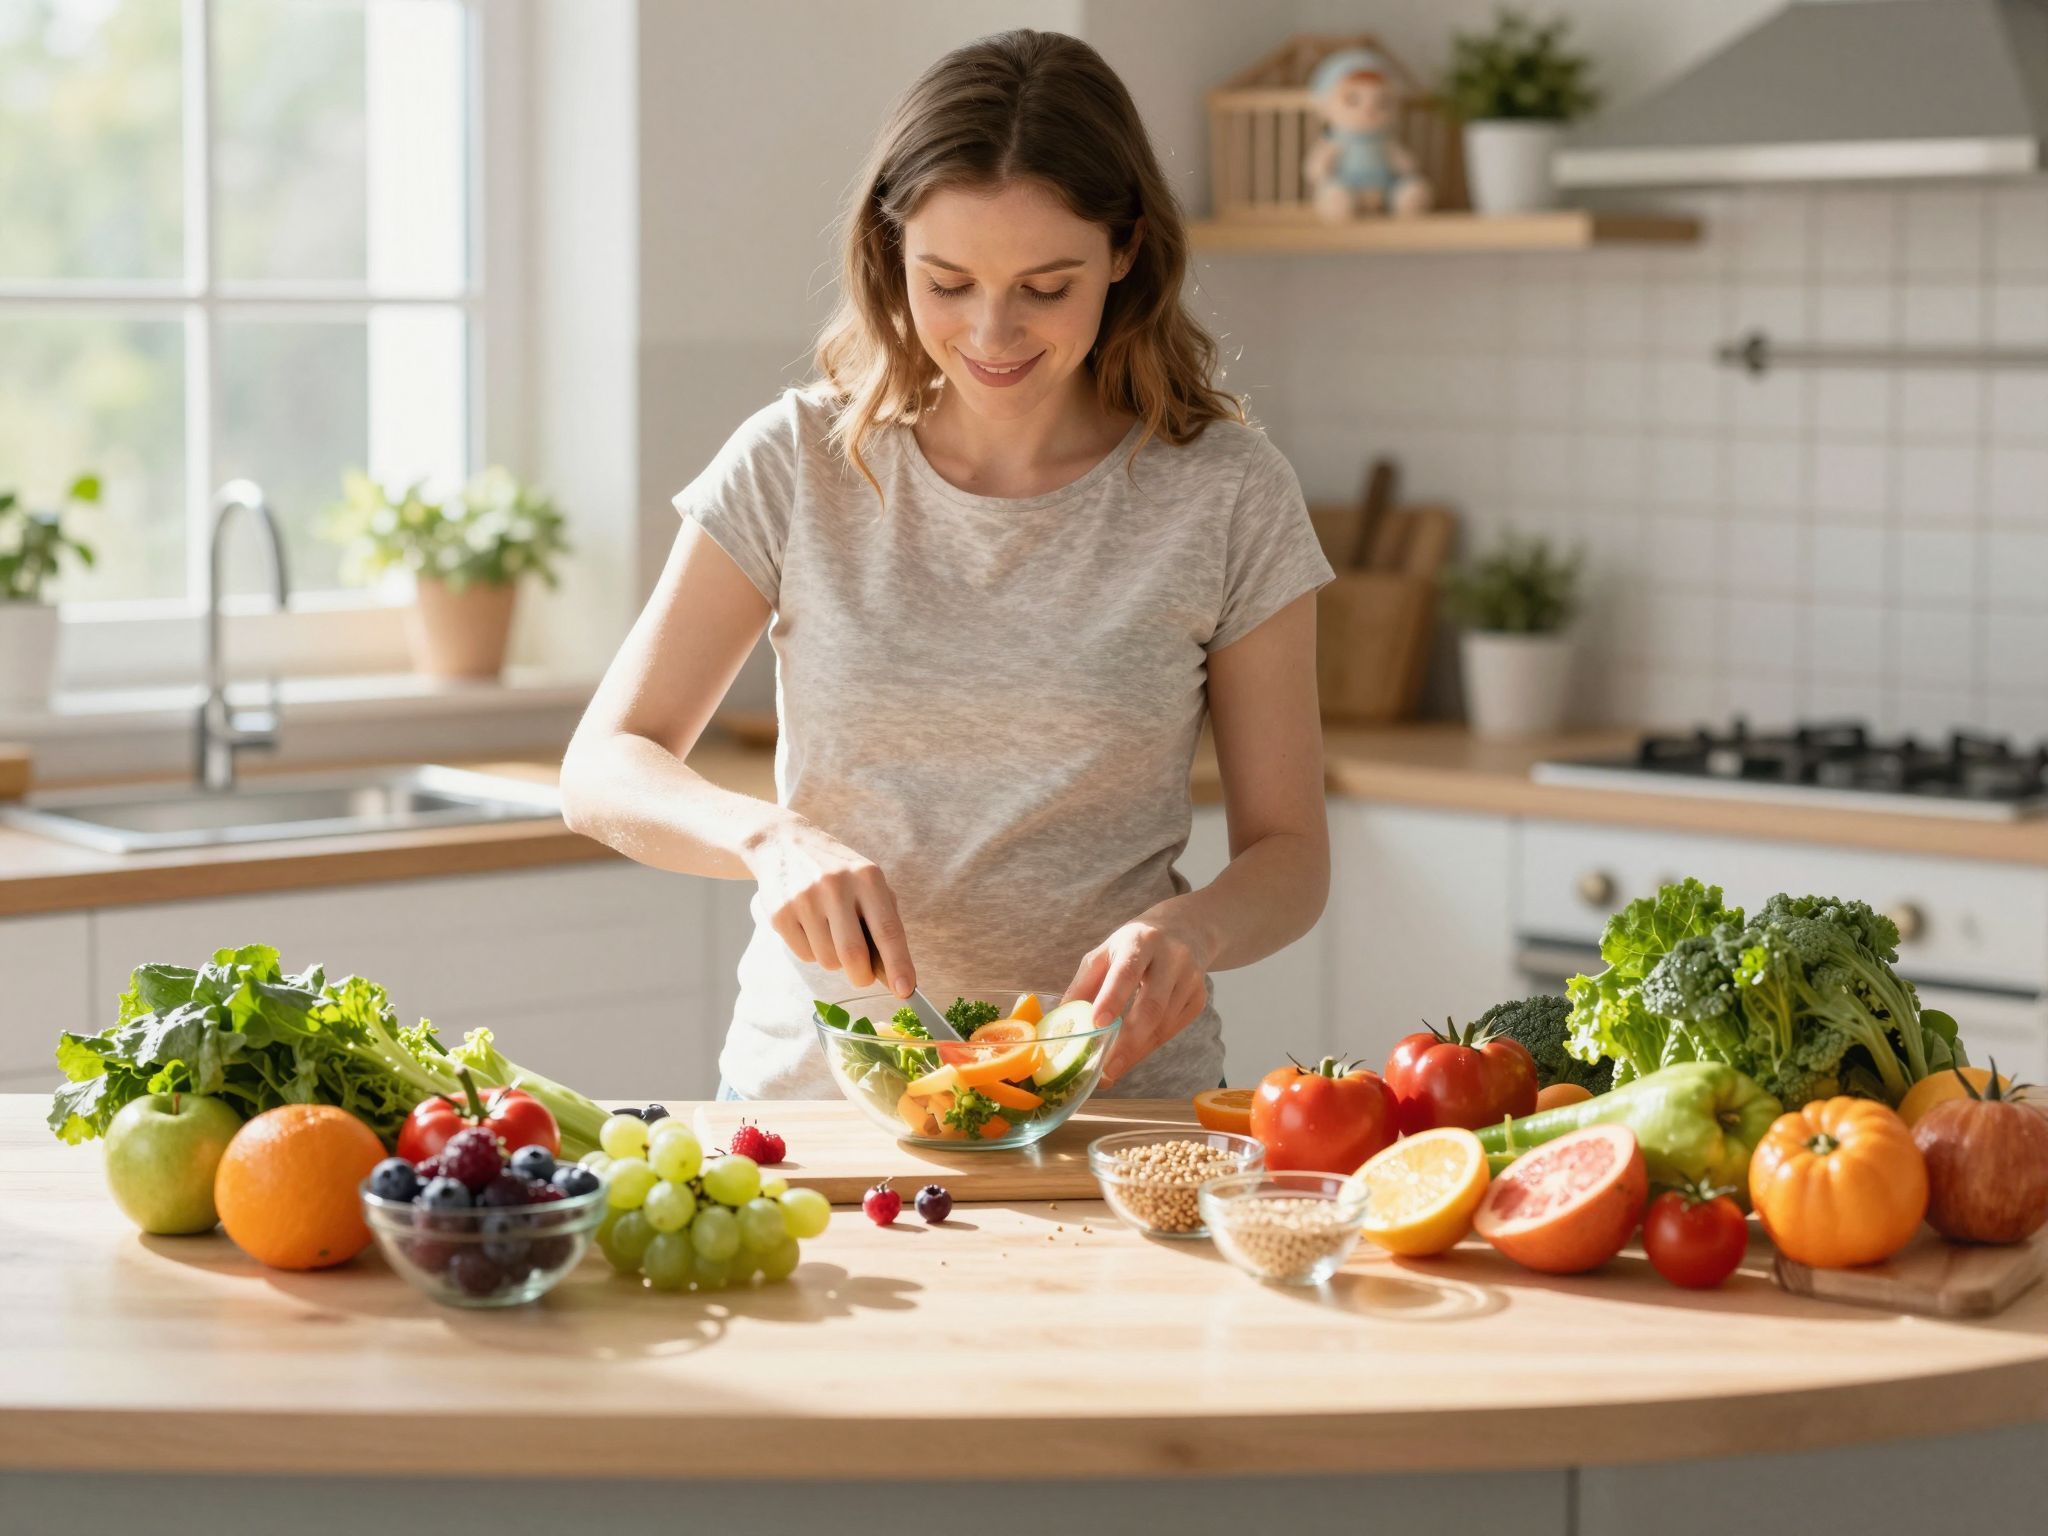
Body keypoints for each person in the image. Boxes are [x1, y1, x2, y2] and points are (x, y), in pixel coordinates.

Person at [560, 29, 1334, 1101]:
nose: (992, 331)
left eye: (1045, 285)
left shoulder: (1225, 492)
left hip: (1105, 1110)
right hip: (818, 1105)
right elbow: (603, 766)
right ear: (890, 255)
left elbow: (1290, 853)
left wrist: (1188, 933)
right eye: (948, 281)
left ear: (1123, 251)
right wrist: (768, 839)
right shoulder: (796, 462)